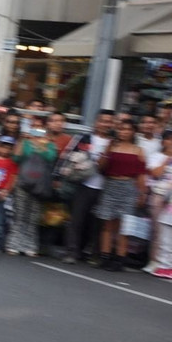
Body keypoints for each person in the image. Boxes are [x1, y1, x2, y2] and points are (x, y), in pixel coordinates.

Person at [95, 118, 148, 270]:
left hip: (129, 186)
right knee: (107, 223)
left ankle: (120, 258)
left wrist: (142, 193)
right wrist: (107, 151)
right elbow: (101, 167)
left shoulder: (138, 150)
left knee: (124, 226)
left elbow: (141, 174)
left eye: (128, 129)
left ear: (133, 132)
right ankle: (105, 256)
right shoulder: (111, 146)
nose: (124, 132)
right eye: (122, 129)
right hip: (111, 185)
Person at [64, 109, 115, 264]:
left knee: (97, 222)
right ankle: (72, 252)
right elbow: (69, 155)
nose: (106, 124)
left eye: (109, 121)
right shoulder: (85, 138)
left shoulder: (115, 142)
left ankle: (92, 252)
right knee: (77, 219)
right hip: (83, 184)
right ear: (96, 122)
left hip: (106, 187)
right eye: (103, 121)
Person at [7, 123, 60, 257]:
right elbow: (16, 158)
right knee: (20, 214)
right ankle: (14, 244)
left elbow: (50, 158)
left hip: (40, 184)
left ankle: (30, 246)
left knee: (33, 216)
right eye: (34, 129)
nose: (37, 133)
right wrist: (22, 140)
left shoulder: (50, 145)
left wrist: (41, 144)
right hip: (23, 182)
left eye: (40, 130)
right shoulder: (25, 142)